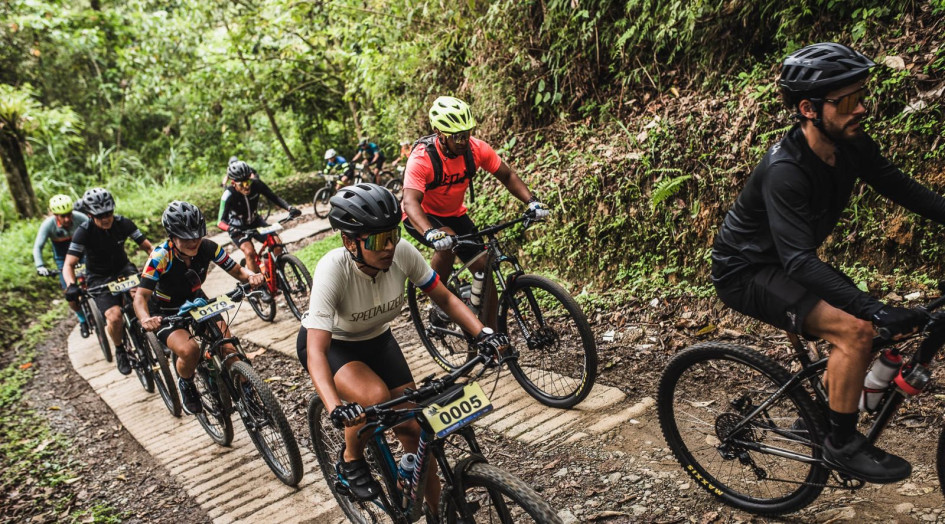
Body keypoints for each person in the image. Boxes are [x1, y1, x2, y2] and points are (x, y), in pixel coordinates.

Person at [711, 42, 945, 484]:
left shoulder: (850, 144)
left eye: (862, 96)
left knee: (872, 324)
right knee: (856, 329)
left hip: (791, 262)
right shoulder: (785, 170)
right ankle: (841, 443)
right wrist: (872, 309)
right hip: (747, 272)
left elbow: (901, 188)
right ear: (809, 109)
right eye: (849, 100)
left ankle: (820, 413)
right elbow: (798, 261)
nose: (862, 109)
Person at [296, 184, 510, 509]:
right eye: (378, 240)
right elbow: (316, 351)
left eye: (392, 235)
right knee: (373, 397)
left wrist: (484, 334)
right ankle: (351, 459)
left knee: (414, 429)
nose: (389, 247)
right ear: (350, 242)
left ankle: (437, 514)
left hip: (378, 340)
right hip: (334, 347)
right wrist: (335, 407)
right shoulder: (333, 269)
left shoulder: (402, 253)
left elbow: (445, 298)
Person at [402, 96, 551, 325]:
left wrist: (532, 201)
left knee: (485, 270)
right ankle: (438, 297)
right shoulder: (422, 159)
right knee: (447, 242)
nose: (464, 141)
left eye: (467, 133)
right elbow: (410, 201)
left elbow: (507, 176)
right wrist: (430, 232)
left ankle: (491, 336)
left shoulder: (476, 149)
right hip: (421, 215)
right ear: (439, 133)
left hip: (455, 213)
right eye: (457, 136)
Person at [135, 201, 264, 414]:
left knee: (229, 349)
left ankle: (249, 396)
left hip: (197, 301)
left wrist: (252, 276)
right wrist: (145, 318)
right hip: (165, 311)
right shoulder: (159, 257)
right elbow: (141, 297)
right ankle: (186, 382)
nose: (193, 241)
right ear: (172, 236)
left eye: (197, 235)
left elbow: (238, 271)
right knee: (190, 351)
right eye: (186, 238)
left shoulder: (208, 247)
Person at [63, 188, 153, 375]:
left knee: (143, 298)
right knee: (114, 316)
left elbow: (148, 248)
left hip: (123, 269)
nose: (106, 218)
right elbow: (68, 264)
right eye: (100, 215)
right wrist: (71, 285)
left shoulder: (123, 223)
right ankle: (120, 349)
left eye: (108, 213)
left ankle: (157, 336)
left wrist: (158, 266)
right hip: (98, 277)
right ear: (90, 215)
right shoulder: (83, 232)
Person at [216, 160, 301, 279]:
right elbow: (220, 222)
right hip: (238, 228)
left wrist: (289, 208)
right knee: (249, 252)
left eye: (248, 182)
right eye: (242, 184)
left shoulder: (256, 184)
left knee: (277, 244)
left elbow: (274, 197)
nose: (247, 186)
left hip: (256, 222)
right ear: (233, 183)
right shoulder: (228, 195)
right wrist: (230, 229)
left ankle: (276, 276)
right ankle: (258, 285)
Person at [34, 194, 91, 336]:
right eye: (62, 216)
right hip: (63, 259)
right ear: (55, 215)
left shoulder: (80, 218)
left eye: (69, 214)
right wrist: (40, 266)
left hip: (83, 254)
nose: (67, 219)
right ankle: (82, 320)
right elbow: (37, 247)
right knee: (70, 293)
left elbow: (96, 235)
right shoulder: (48, 225)